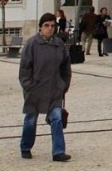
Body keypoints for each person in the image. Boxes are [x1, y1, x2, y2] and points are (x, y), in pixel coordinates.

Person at [18, 12, 72, 162]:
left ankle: (58, 151)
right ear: (40, 27)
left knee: (56, 118)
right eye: (46, 26)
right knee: (31, 120)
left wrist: (63, 85)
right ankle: (25, 146)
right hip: (35, 90)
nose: (50, 28)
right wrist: (29, 86)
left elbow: (65, 68)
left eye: (52, 26)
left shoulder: (59, 44)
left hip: (54, 89)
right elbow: (24, 69)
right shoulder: (32, 44)